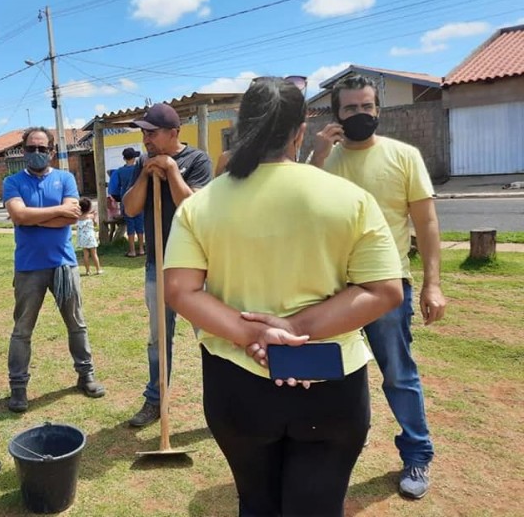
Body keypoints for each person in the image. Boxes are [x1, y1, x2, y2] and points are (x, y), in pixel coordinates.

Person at [163, 77, 404, 516]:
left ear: (244, 127)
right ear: (300, 131)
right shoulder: (350, 199)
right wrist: (295, 329)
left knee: (256, 502)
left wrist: (247, 332)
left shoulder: (200, 205)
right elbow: (384, 291)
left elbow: (180, 290)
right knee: (319, 505)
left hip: (237, 381)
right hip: (330, 379)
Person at [310, 74, 447, 500]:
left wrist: (432, 284)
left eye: (367, 107)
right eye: (350, 108)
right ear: (336, 114)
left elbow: (425, 223)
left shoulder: (403, 156)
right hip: (333, 287)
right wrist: (317, 154)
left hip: (387, 286)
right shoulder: (325, 161)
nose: (360, 114)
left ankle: (417, 453)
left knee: (398, 373)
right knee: (334, 372)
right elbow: (299, 204)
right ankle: (339, 444)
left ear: (377, 110)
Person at [3, 127, 105, 413]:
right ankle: (18, 388)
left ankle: (86, 376)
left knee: (77, 323)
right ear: (23, 151)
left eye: (42, 148)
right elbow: (18, 214)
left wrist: (31, 219)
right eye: (31, 148)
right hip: (28, 267)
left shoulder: (65, 178)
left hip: (64, 265)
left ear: (51, 151)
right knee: (22, 330)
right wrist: (52, 213)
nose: (37, 153)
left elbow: (70, 216)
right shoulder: (12, 181)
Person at [122, 103, 212, 427]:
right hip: (156, 264)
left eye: (152, 132)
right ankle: (155, 401)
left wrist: (172, 171)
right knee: (158, 338)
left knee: (211, 335)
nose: (146, 138)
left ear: (174, 133)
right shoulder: (143, 163)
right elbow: (130, 209)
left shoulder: (197, 160)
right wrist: (146, 175)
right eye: (143, 132)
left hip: (196, 268)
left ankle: (223, 402)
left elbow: (194, 207)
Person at [109, 147, 145, 257]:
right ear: (134, 158)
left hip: (126, 199)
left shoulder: (119, 171)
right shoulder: (138, 170)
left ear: (124, 158)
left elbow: (114, 187)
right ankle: (141, 249)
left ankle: (132, 251)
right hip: (138, 198)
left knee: (130, 225)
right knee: (140, 225)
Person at [76, 198, 103, 275]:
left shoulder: (78, 217)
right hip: (90, 237)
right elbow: (95, 224)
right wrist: (94, 216)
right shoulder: (90, 216)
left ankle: (87, 271)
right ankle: (98, 269)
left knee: (85, 254)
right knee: (94, 253)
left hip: (82, 237)